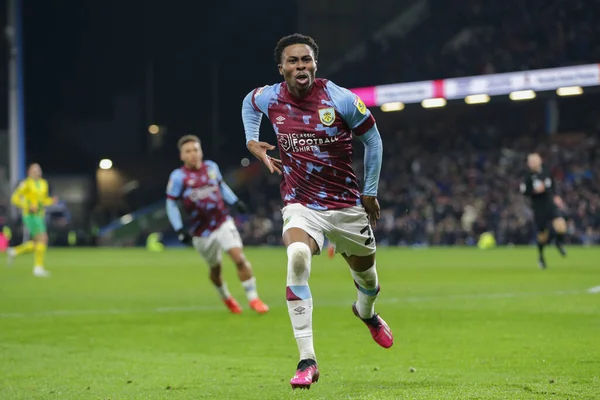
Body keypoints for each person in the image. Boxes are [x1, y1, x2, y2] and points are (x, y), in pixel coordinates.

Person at [241, 33, 393, 389]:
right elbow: (248, 103)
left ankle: (366, 314)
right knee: (296, 256)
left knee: (368, 281)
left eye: (306, 60)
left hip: (346, 206)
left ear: (315, 64)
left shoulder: (339, 99)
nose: (301, 66)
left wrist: (369, 192)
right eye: (293, 61)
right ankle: (307, 360)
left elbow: (373, 139)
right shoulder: (270, 97)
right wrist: (252, 139)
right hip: (301, 203)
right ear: (281, 68)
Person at [165, 135, 269, 314]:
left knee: (239, 258)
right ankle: (226, 297)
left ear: (201, 151)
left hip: (222, 221)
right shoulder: (178, 177)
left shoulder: (211, 168)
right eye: (188, 151)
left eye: (196, 150)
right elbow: (171, 204)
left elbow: (221, 187)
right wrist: (180, 229)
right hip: (200, 231)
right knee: (215, 268)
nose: (193, 154)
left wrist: (235, 202)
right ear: (182, 156)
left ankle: (254, 299)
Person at [7, 163, 57, 277]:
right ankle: (38, 268)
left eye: (39, 170)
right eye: (35, 170)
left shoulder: (44, 183)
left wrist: (51, 201)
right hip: (30, 216)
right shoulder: (26, 184)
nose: (38, 172)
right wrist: (27, 206)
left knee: (37, 242)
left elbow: (43, 200)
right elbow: (14, 198)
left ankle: (15, 251)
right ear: (29, 172)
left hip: (40, 215)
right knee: (43, 239)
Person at [519, 153, 567, 268]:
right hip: (538, 208)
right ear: (528, 164)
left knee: (561, 226)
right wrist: (535, 191)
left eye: (535, 160)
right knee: (542, 235)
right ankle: (541, 256)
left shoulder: (546, 171)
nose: (533, 163)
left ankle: (558, 242)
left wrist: (556, 196)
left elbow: (553, 186)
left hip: (550, 205)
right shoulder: (527, 177)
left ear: (540, 161)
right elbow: (525, 192)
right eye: (531, 161)